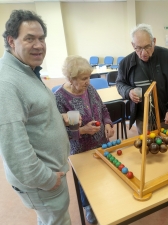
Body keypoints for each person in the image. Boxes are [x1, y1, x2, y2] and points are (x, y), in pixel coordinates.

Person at [0, 10, 72, 224]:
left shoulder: (25, 70)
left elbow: (31, 115)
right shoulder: (7, 83)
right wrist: (47, 180)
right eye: (29, 38)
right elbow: (14, 148)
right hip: (43, 182)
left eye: (41, 38)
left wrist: (58, 120)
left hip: (48, 176)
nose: (39, 45)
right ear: (11, 41)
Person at [54, 55, 114, 224]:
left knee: (103, 174)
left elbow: (103, 108)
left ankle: (102, 200)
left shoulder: (90, 89)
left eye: (89, 77)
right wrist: (82, 130)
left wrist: (107, 123)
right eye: (83, 78)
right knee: (85, 181)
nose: (88, 81)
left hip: (100, 142)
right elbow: (59, 133)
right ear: (70, 79)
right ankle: (88, 206)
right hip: (79, 150)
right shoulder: (59, 98)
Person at [116, 23, 168, 134]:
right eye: (138, 48)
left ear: (154, 41)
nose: (143, 53)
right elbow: (120, 83)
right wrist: (128, 91)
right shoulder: (125, 63)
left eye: (147, 47)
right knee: (146, 147)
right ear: (132, 45)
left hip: (167, 117)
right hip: (143, 120)